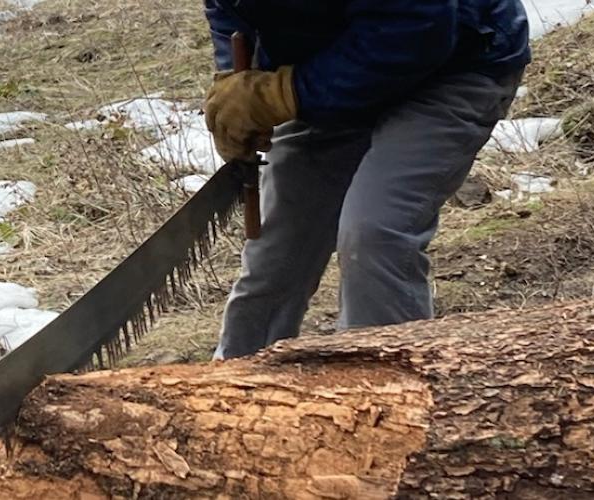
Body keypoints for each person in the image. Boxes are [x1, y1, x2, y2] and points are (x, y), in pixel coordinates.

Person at [202, 0, 532, 358]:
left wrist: (286, 92)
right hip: (338, 63)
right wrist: (238, 85)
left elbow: (420, 27)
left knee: (375, 230)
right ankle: (227, 390)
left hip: (452, 61)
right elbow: (230, 12)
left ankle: (385, 394)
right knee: (278, 246)